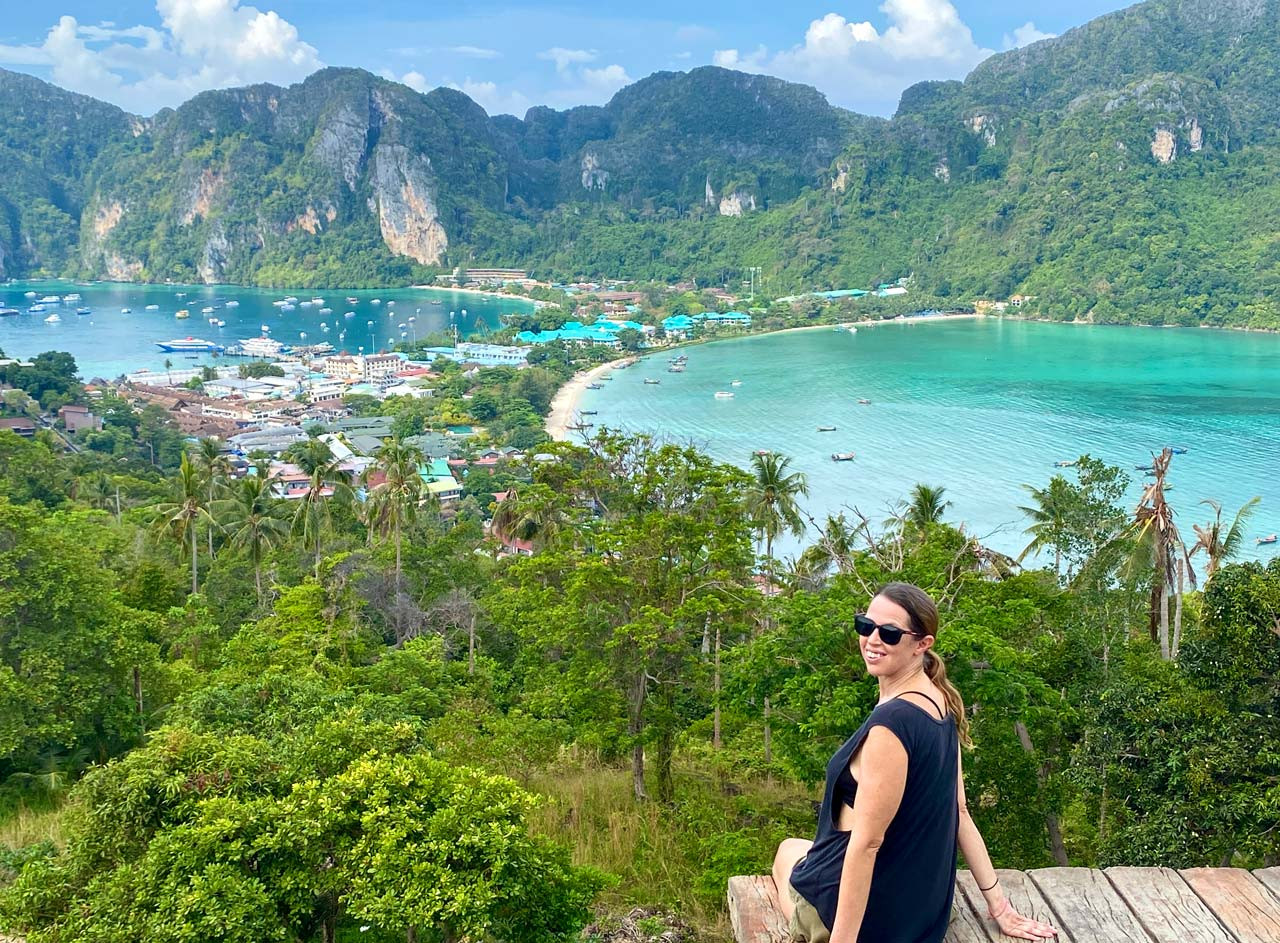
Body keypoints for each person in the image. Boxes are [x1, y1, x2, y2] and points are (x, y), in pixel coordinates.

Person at [771, 582, 1058, 943]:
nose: (873, 640)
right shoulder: (942, 702)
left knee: (785, 854)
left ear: (922, 644)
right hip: (922, 909)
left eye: (890, 633)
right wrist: (998, 906)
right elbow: (961, 811)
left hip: (869, 919)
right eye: (865, 626)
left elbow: (867, 844)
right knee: (796, 848)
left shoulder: (890, 727)